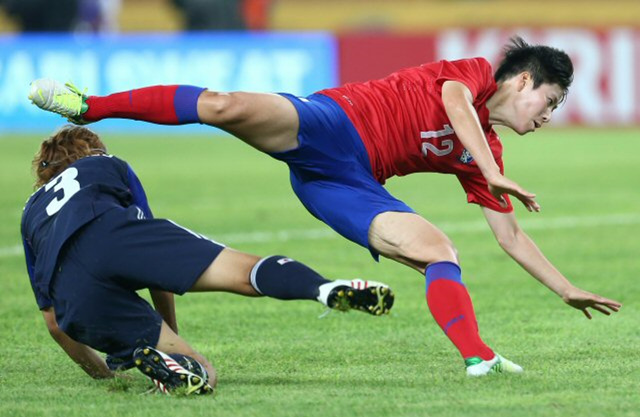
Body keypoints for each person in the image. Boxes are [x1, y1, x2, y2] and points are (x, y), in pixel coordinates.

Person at [28, 36, 622, 377]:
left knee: (439, 249)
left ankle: (479, 359)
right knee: (223, 103)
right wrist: (494, 170)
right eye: (549, 101)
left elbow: (511, 237)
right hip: (330, 122)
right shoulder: (469, 77)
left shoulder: (481, 153)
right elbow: (454, 99)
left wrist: (565, 288)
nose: (547, 117)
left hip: (344, 183)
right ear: (522, 81)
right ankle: (90, 104)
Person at [20, 126, 395, 395]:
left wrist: (103, 377)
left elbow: (53, 324)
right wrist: (171, 326)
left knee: (204, 375)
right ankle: (323, 288)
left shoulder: (30, 211)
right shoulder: (105, 163)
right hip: (114, 233)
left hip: (72, 293)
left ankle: (167, 362)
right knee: (245, 272)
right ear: (93, 150)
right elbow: (154, 269)